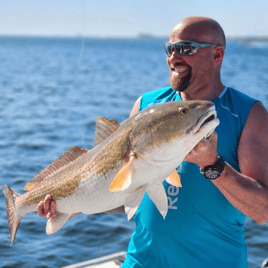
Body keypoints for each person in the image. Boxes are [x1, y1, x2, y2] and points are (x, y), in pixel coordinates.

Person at [38, 17, 268, 267]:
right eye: (170, 49)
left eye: (186, 48)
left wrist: (212, 164)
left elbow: (262, 211)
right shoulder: (146, 106)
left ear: (217, 54)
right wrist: (71, 204)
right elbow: (126, 193)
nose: (174, 57)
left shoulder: (247, 113)